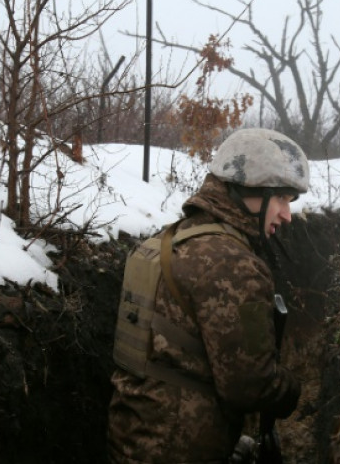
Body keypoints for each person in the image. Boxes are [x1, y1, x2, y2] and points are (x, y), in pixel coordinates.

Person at [107, 128, 307, 463]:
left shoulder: (167, 240)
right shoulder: (233, 264)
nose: (287, 215)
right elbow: (251, 385)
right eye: (282, 199)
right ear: (250, 192)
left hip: (131, 439)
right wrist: (292, 391)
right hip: (177, 448)